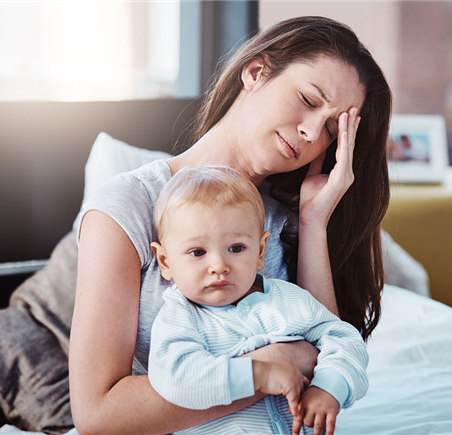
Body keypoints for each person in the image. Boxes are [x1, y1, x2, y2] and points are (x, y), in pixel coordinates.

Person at [70, 15, 392, 434]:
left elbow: (322, 359)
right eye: (309, 100)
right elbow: (97, 414)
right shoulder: (129, 205)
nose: (312, 132)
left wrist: (314, 223)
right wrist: (266, 367)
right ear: (255, 72)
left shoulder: (290, 217)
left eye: (332, 130)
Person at [147, 165, 369, 435]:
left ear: (261, 251)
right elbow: (176, 378)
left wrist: (328, 387)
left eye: (236, 248)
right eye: (197, 252)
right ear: (165, 261)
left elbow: (345, 339)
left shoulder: (287, 299)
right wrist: (260, 374)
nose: (219, 266)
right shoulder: (178, 317)